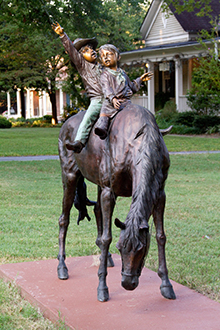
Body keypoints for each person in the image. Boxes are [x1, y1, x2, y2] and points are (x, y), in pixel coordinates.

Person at [52, 22, 103, 153]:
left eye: (91, 48)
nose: (91, 51)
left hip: (112, 97)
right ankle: (79, 142)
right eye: (86, 50)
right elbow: (71, 50)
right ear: (80, 57)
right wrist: (63, 35)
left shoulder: (103, 67)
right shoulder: (83, 66)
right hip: (98, 99)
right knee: (88, 117)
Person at [94, 44, 153, 139]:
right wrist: (112, 98)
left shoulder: (123, 74)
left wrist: (140, 79)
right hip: (111, 105)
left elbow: (132, 87)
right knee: (104, 119)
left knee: (138, 114)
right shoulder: (105, 75)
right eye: (103, 56)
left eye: (109, 54)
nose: (106, 57)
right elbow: (106, 88)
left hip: (125, 103)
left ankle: (150, 129)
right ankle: (102, 131)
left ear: (118, 57)